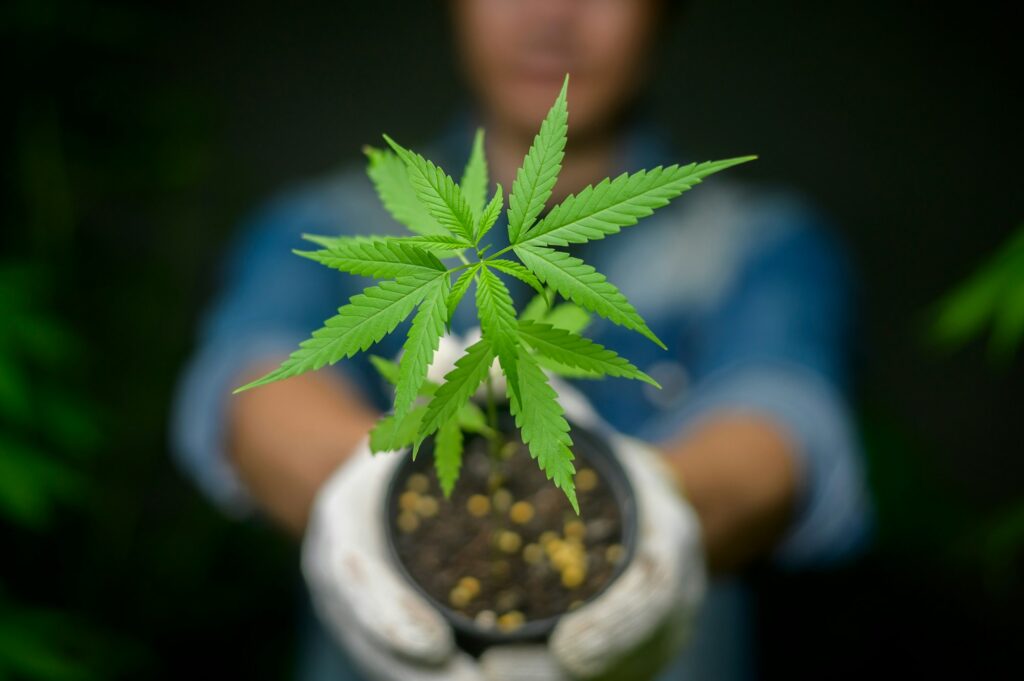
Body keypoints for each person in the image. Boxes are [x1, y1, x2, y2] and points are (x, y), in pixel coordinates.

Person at [172, 1, 870, 679]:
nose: (551, 17)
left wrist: (659, 512)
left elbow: (785, 418)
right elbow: (255, 382)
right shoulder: (328, 223)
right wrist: (363, 483)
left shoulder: (758, 247)